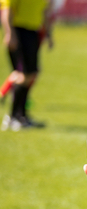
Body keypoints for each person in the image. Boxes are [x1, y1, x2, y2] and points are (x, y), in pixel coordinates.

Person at [0, 0, 53, 130]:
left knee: (30, 75)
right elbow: (6, 11)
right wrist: (9, 33)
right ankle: (12, 117)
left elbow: (44, 12)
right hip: (19, 31)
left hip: (33, 32)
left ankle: (22, 116)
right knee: (21, 75)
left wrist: (48, 34)